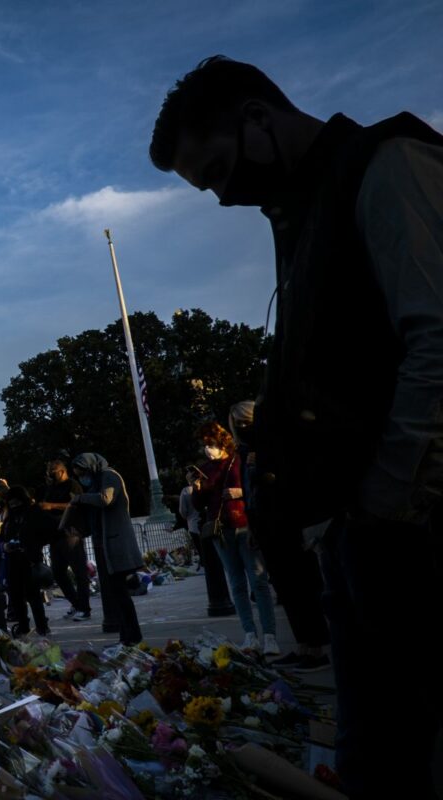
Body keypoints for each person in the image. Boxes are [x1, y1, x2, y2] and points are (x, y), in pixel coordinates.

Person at [150, 55, 443, 798]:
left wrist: (386, 494)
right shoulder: (305, 208)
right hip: (362, 530)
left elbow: (436, 342)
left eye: (217, 171)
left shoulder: (386, 165)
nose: (222, 197)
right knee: (376, 752)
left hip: (409, 525)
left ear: (257, 119)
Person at [229, 402, 330, 672]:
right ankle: (303, 645)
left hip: (284, 522)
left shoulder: (272, 444)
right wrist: (251, 526)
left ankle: (316, 647)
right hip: (263, 524)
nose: (242, 428)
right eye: (237, 424)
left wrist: (263, 465)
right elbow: (251, 494)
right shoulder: (244, 451)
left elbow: (287, 478)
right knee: (286, 589)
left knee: (302, 585)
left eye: (245, 421)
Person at [192, 421, 278, 656]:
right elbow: (198, 505)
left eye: (210, 444)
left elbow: (253, 487)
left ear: (221, 442)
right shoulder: (205, 469)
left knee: (258, 581)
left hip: (244, 525)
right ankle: (250, 634)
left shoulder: (238, 460)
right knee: (238, 584)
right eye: (204, 445)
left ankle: (270, 634)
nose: (207, 449)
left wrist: (239, 493)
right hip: (221, 530)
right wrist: (196, 489)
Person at [64, 453, 144, 646]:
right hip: (104, 543)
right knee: (116, 594)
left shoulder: (109, 476)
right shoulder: (95, 482)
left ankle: (132, 636)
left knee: (121, 594)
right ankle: (126, 636)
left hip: (116, 542)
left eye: (82, 472)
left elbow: (105, 499)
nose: (81, 477)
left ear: (90, 467)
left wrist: (80, 498)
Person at [39, 459, 91, 621]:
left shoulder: (72, 485)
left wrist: (51, 506)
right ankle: (76, 603)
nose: (50, 476)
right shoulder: (51, 488)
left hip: (71, 533)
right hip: (56, 535)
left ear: (61, 471)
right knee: (58, 573)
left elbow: (76, 503)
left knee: (79, 572)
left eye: (52, 473)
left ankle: (84, 608)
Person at [0, 485, 50, 638]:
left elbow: (44, 531)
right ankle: (23, 626)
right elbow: (4, 535)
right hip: (13, 559)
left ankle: (41, 626)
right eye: (11, 503)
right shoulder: (11, 517)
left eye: (16, 502)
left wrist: (29, 544)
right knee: (16, 596)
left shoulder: (33, 512)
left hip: (29, 559)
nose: (14, 506)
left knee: (33, 595)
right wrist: (6, 546)